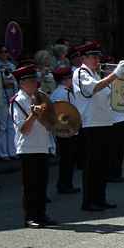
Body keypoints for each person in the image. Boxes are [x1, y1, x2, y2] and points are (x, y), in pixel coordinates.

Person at [73, 41, 124, 211]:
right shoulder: (81, 73)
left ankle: (100, 198)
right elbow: (94, 89)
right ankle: (89, 201)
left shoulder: (95, 74)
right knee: (92, 165)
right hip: (91, 124)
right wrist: (115, 74)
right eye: (93, 57)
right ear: (84, 58)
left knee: (103, 164)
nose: (97, 60)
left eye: (98, 56)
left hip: (104, 122)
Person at [10, 65, 57, 228]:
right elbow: (23, 128)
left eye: (34, 81)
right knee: (30, 185)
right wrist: (34, 114)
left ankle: (42, 214)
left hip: (42, 145)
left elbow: (51, 120)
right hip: (27, 148)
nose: (34, 84)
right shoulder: (17, 100)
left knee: (42, 184)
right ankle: (30, 217)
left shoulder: (39, 97)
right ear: (22, 83)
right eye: (31, 81)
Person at [49, 66, 80, 194]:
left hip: (60, 130)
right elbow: (70, 112)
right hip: (68, 130)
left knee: (65, 159)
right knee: (68, 159)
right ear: (66, 79)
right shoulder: (66, 92)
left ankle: (64, 184)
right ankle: (65, 185)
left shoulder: (55, 92)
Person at [0, 43, 17, 160]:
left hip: (12, 96)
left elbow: (15, 80)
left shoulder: (11, 65)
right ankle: (3, 152)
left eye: (7, 52)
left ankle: (12, 151)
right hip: (2, 99)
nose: (6, 54)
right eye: (3, 52)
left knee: (11, 126)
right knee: (3, 126)